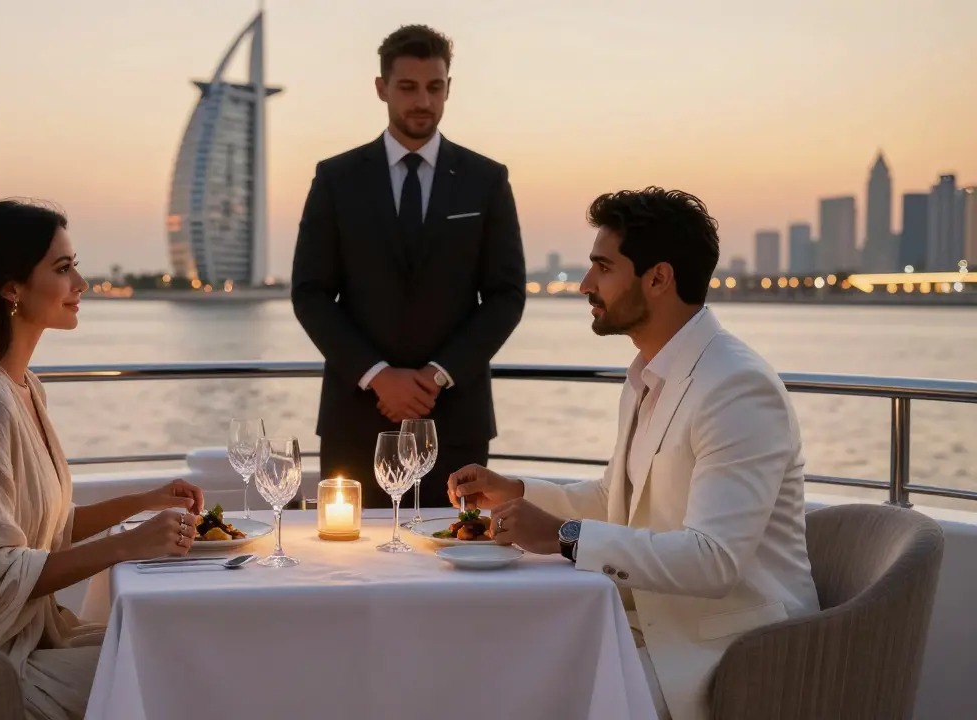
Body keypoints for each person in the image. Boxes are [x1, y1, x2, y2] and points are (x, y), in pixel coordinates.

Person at [447, 188, 820, 720]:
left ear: (659, 278)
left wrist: (561, 536)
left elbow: (713, 561)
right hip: (641, 628)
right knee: (491, 668)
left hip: (731, 654)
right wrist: (517, 493)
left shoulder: (736, 386)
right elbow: (613, 500)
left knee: (536, 697)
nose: (585, 285)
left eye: (603, 267)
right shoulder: (648, 375)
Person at [0, 200, 205, 720]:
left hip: (14, 639)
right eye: (62, 268)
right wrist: (130, 544)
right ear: (11, 287)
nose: (81, 282)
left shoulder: (22, 387)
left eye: (75, 264)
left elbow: (43, 528)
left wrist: (144, 502)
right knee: (176, 668)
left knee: (174, 647)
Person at [291, 24, 526, 508]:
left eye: (434, 87)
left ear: (448, 89)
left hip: (455, 418)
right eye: (408, 87)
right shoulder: (336, 179)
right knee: (349, 572)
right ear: (381, 88)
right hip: (355, 420)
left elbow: (506, 295)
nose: (423, 101)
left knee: (455, 564)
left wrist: (436, 376)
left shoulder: (486, 180)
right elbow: (310, 292)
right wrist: (378, 375)